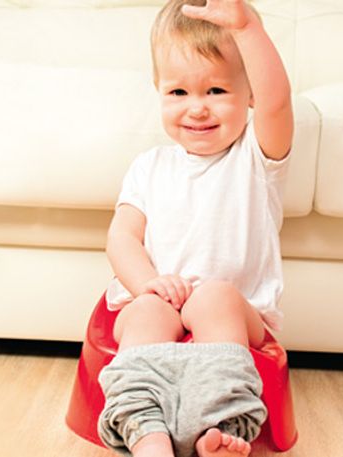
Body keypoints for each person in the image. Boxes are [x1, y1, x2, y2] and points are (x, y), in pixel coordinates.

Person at [97, 0, 293, 456]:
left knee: (215, 297)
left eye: (217, 90)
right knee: (146, 313)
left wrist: (246, 28)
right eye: (178, 92)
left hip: (237, 310)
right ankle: (146, 432)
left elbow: (278, 101)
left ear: (249, 93)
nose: (197, 108)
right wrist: (149, 284)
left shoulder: (256, 157)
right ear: (159, 91)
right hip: (161, 297)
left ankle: (220, 428)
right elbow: (122, 237)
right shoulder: (149, 166)